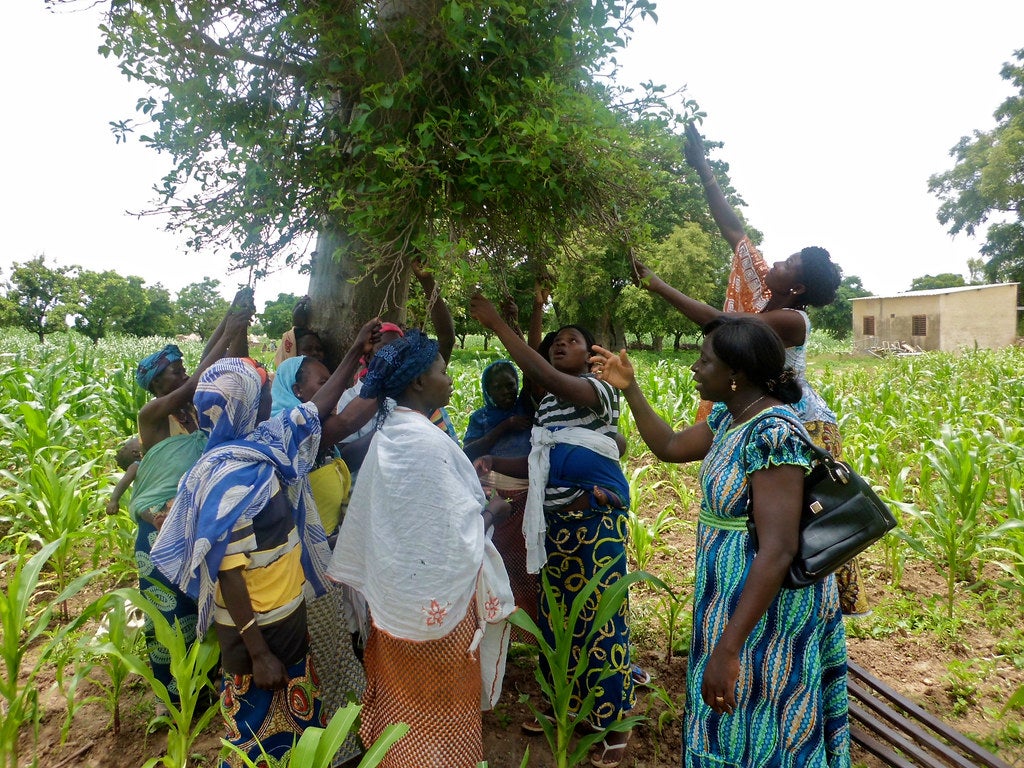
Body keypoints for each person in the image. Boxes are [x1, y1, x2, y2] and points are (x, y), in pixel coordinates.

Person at [590, 316, 850, 768]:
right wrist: (630, 388)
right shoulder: (734, 417)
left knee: (761, 724)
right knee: (732, 721)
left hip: (764, 614)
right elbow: (669, 445)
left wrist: (728, 649)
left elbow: (778, 548)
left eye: (704, 360)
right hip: (728, 603)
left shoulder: (773, 433)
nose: (694, 367)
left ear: (737, 374)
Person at [631, 121, 868, 616]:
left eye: (789, 264)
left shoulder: (789, 319)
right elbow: (734, 230)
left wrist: (657, 285)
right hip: (755, 411)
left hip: (799, 422)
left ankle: (811, 612)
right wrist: (703, 171)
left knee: (800, 527)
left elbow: (722, 322)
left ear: (798, 287)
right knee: (759, 520)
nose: (776, 262)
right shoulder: (763, 287)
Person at [150, 318, 379, 768]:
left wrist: (356, 350)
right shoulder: (228, 478)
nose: (272, 393)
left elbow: (314, 412)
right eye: (262, 390)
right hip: (257, 632)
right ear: (245, 406)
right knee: (259, 733)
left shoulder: (258, 446)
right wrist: (258, 653)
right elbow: (228, 571)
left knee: (296, 721)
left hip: (284, 613)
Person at [328, 330, 516, 768]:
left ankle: (399, 753)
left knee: (402, 691)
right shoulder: (425, 442)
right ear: (416, 383)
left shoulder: (393, 433)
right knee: (439, 692)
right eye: (442, 371)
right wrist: (494, 513)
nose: (449, 379)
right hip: (438, 604)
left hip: (396, 601)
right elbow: (451, 537)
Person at [469, 295, 635, 768]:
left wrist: (498, 324)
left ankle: (613, 721)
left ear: (591, 354)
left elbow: (545, 377)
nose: (563, 345)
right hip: (557, 526)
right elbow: (540, 458)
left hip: (594, 521)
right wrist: (494, 461)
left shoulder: (598, 391)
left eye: (573, 341)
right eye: (555, 342)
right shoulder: (548, 412)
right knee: (559, 617)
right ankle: (567, 702)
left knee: (602, 620)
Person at [131, 294, 252, 715]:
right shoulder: (154, 414)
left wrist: (231, 318)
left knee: (205, 599)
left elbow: (203, 363)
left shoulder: (192, 413)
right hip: (159, 526)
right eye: (173, 372)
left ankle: (205, 680)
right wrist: (232, 330)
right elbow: (203, 372)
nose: (182, 375)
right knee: (168, 611)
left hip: (193, 516)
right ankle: (172, 695)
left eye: (181, 369)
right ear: (156, 383)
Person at [268, 353, 367, 767]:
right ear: (297, 390)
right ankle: (329, 745)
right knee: (321, 659)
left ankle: (345, 738)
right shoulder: (289, 434)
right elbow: (342, 425)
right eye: (324, 382)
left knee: (337, 653)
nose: (336, 389)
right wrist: (382, 384)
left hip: (326, 558)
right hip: (303, 572)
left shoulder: (318, 438)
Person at [463, 360, 537, 639]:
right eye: (499, 387)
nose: (507, 391)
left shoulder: (528, 410)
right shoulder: (481, 419)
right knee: (501, 563)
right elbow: (468, 452)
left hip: (528, 495)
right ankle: (502, 629)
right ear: (487, 390)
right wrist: (503, 428)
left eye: (510, 384)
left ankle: (531, 631)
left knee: (529, 565)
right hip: (497, 497)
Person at [106, 435, 142, 516]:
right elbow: (124, 482)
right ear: (135, 452)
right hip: (146, 505)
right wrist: (114, 500)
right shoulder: (137, 465)